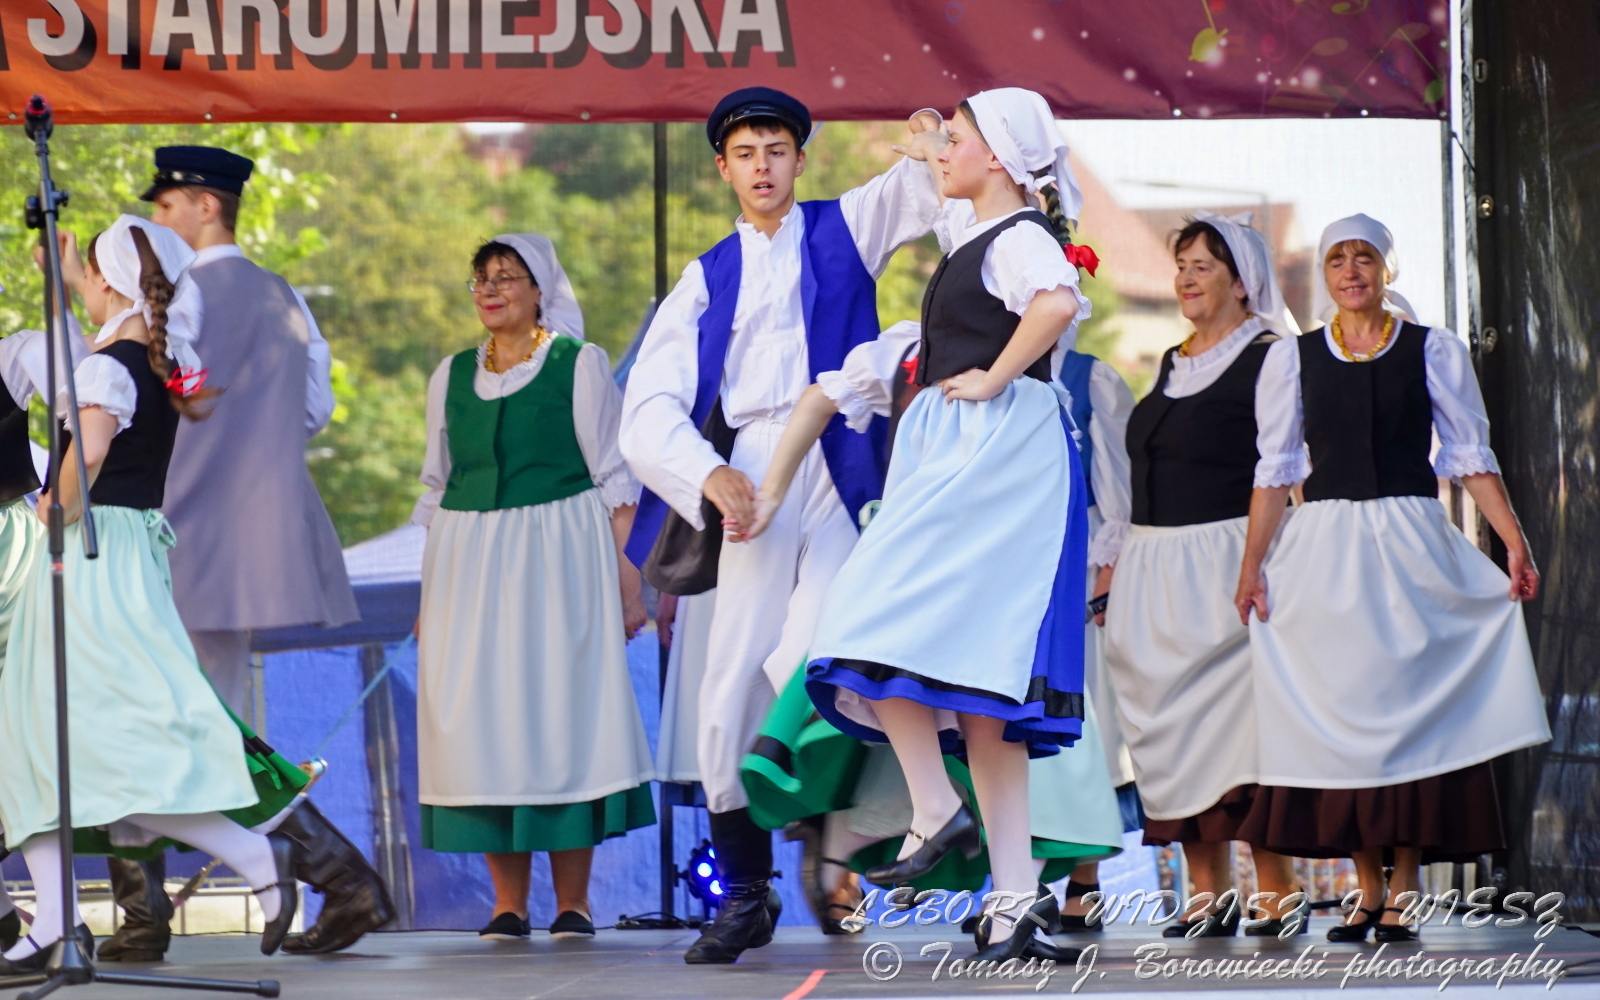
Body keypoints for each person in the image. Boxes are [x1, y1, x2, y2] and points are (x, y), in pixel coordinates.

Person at [736, 88, 1093, 961]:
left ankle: (937, 810)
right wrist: (935, 141)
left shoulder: (1020, 239)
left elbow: (1055, 303)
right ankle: (1011, 898)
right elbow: (952, 193)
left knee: (866, 619)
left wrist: (995, 377)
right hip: (967, 452)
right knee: (979, 695)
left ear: (999, 155)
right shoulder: (982, 232)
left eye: (959, 140)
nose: (943, 153)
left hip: (995, 455)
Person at [619, 87, 943, 963]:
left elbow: (932, 184)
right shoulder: (704, 277)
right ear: (722, 168)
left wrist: (931, 135)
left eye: (776, 150)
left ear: (801, 159)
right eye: (746, 154)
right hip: (755, 472)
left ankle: (858, 835)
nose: (762, 167)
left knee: (828, 645)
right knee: (730, 683)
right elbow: (646, 405)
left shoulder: (847, 226)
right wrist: (707, 472)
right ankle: (747, 890)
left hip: (843, 454)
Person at [1233, 214, 1551, 942]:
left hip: (1411, 545)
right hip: (1326, 551)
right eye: (1338, 259)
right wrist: (1251, 568)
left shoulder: (1432, 349)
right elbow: (1273, 474)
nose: (1351, 271)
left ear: (1386, 269)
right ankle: (1366, 885)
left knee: (1409, 707)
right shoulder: (1293, 360)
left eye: (1365, 257)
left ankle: (1404, 883)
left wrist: (1515, 543)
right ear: (1325, 273)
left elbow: (1470, 456)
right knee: (1342, 712)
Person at [0, 218, 300, 972]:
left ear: (109, 281)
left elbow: (89, 458)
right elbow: (90, 371)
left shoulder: (108, 368)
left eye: (90, 275)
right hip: (126, 555)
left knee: (49, 743)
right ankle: (61, 921)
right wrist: (68, 276)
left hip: (86, 561)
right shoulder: (151, 359)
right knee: (67, 748)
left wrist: (50, 508)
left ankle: (67, 919)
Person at [127, 145, 392, 960]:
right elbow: (312, 410)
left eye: (167, 204)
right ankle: (320, 875)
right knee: (198, 719)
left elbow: (147, 408)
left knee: (158, 716)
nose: (158, 218)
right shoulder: (286, 297)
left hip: (178, 530)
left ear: (204, 205)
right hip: (257, 534)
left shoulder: (177, 298)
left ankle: (322, 874)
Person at [413, 235, 655, 941]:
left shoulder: (580, 365)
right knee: (483, 723)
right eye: (481, 279)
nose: (491, 290)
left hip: (559, 557)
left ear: (540, 289)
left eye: (507, 277)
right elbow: (436, 490)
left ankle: (574, 902)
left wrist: (630, 589)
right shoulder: (450, 376)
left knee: (560, 717)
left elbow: (616, 485)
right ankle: (507, 904)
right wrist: (429, 602)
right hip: (468, 565)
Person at [1101, 211, 1304, 937]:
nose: (1185, 279)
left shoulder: (1271, 356)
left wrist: (1261, 562)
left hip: (1227, 561)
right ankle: (1206, 891)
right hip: (1154, 567)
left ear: (1242, 283)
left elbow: (1284, 468)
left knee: (1243, 729)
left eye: (1203, 267)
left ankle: (1276, 887)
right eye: (1181, 266)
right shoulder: (1171, 360)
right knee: (1173, 728)